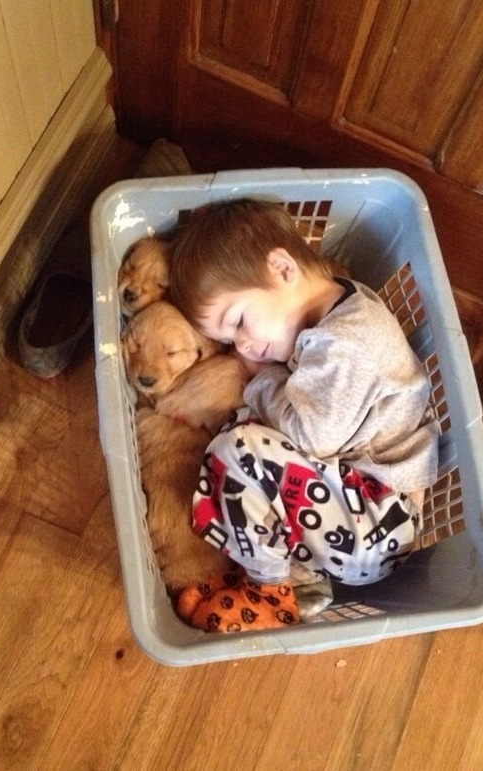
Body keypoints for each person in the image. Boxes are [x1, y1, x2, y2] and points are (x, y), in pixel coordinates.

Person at [170, 198, 439, 633]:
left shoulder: (345, 344)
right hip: (351, 507)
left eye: (238, 321)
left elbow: (313, 437)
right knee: (243, 434)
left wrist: (257, 381)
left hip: (375, 520)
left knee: (237, 448)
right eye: (228, 339)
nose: (242, 347)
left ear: (283, 268)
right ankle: (298, 576)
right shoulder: (334, 312)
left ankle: (268, 590)